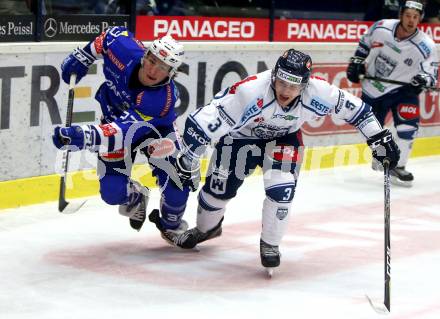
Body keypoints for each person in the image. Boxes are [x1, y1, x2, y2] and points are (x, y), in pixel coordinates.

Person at [153, 48, 400, 272]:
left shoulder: (320, 91)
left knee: (281, 190)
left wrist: (379, 138)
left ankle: (270, 243)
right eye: (281, 82)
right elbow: (203, 121)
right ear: (274, 76)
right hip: (240, 139)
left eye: (293, 86)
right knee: (217, 192)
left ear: (304, 85)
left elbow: (359, 111)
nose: (285, 91)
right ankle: (207, 229)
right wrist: (190, 156)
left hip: (284, 139)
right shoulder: (250, 91)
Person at [52, 26, 191, 242]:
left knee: (177, 183)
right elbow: (109, 35)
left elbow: (119, 132)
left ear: (172, 73)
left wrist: (81, 135)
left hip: (156, 132)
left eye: (163, 68)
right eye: (152, 61)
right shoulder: (123, 49)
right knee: (112, 193)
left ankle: (171, 225)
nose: (153, 71)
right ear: (145, 54)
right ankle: (137, 195)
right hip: (114, 118)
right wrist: (84, 55)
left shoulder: (160, 100)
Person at [347, 0, 437, 187]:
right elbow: (364, 43)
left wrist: (422, 80)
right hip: (373, 87)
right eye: (408, 15)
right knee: (372, 131)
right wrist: (356, 62)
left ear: (420, 19)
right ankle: (381, 155)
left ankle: (399, 166)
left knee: (408, 127)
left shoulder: (426, 45)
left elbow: (431, 74)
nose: (411, 20)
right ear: (400, 15)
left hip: (403, 90)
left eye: (415, 17)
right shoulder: (381, 27)